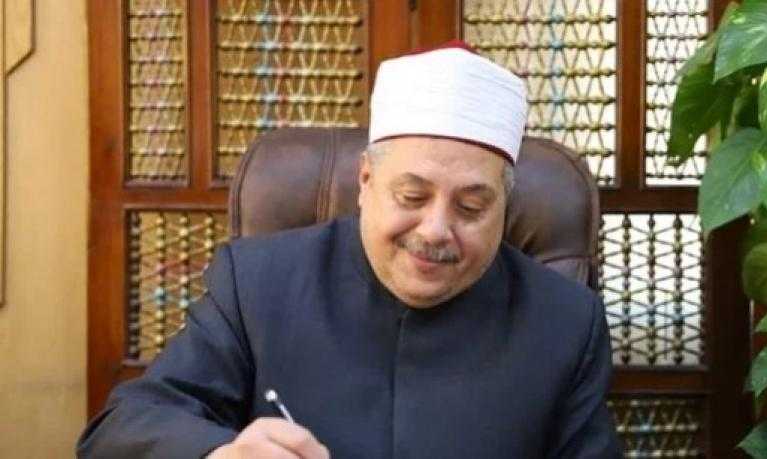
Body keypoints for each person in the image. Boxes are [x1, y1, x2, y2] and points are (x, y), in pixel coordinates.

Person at [77, 41, 622, 458]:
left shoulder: (566, 321)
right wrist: (220, 453)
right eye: (412, 196)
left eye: (472, 206)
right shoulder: (259, 285)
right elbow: (121, 428)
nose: (436, 229)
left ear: (505, 206)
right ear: (365, 182)